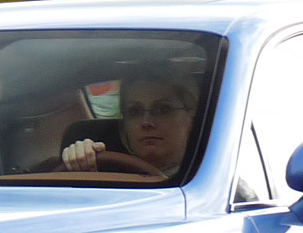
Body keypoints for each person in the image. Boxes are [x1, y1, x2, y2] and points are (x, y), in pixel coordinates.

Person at [60, 75, 199, 177]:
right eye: (135, 111)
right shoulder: (105, 172)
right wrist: (81, 161)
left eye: (163, 109)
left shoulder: (212, 178)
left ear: (192, 118)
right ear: (124, 125)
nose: (146, 122)